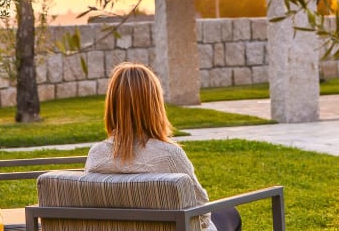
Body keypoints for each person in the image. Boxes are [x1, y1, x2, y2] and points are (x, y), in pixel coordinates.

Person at [85, 62, 242, 231]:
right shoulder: (169, 155)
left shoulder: (96, 155)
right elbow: (201, 215)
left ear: (112, 105)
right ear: (154, 105)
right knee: (230, 213)